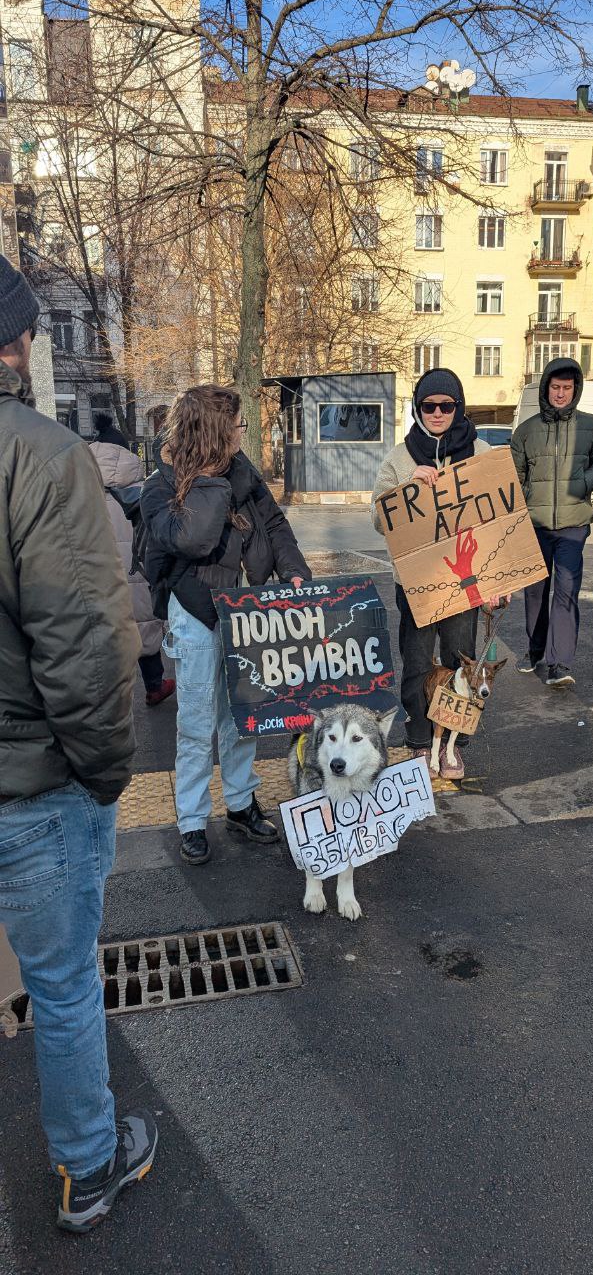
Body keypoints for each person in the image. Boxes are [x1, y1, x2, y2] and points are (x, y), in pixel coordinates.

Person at [0, 256, 157, 1233]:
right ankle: (89, 1166)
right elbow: (82, 645)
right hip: (34, 782)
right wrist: (106, 774)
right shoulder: (40, 454)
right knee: (60, 987)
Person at [141, 385, 311, 865]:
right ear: (216, 433)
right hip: (196, 616)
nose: (244, 432)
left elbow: (274, 525)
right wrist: (217, 479)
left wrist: (293, 569)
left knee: (243, 718)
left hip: (248, 613)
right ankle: (192, 820)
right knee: (196, 726)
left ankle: (240, 803)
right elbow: (194, 541)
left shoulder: (243, 472)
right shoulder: (161, 485)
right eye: (237, 425)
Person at [371, 367, 493, 781]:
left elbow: (499, 519)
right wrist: (408, 486)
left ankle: (455, 746)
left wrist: (497, 580)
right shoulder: (399, 458)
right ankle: (422, 742)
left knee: (463, 664)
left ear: (458, 407)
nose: (438, 413)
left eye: (446, 405)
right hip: (417, 581)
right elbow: (377, 518)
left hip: (464, 580)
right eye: (429, 405)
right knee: (419, 662)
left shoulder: (481, 452)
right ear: (418, 408)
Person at [510, 357, 593, 687]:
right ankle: (535, 649)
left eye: (567, 388)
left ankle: (560, 664)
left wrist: (583, 483)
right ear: (546, 388)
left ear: (576, 390)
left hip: (573, 526)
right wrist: (527, 495)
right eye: (555, 387)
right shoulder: (527, 430)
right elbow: (514, 474)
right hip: (535, 526)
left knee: (566, 592)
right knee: (536, 594)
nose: (560, 394)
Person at [88, 425, 176, 707]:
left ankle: (111, 697)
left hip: (95, 573)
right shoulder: (141, 489)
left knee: (104, 634)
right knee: (143, 625)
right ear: (125, 452)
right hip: (136, 569)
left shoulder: (77, 485)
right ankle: (154, 686)